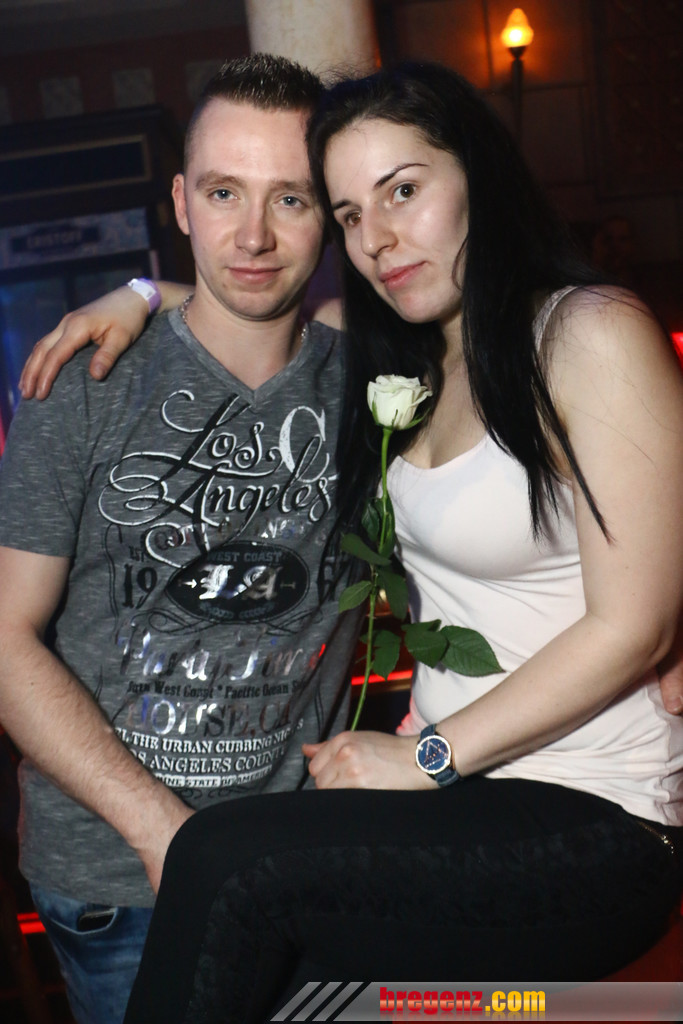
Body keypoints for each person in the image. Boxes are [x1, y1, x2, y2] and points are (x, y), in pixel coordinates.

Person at [19, 62, 683, 1021]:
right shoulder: (392, 355)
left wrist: (425, 758)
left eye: (400, 191)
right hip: (405, 814)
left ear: (476, 174)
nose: (375, 238)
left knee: (231, 869)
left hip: (552, 801)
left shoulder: (563, 336)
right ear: (183, 202)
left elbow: (631, 606)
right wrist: (139, 291)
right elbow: (241, 296)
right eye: (347, 211)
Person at [0, 53, 361, 1024]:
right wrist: (163, 831)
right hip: (124, 878)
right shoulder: (83, 381)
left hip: (303, 858)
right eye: (222, 192)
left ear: (330, 213)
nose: (252, 235)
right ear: (180, 202)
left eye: (290, 199)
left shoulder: (371, 376)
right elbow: (3, 637)